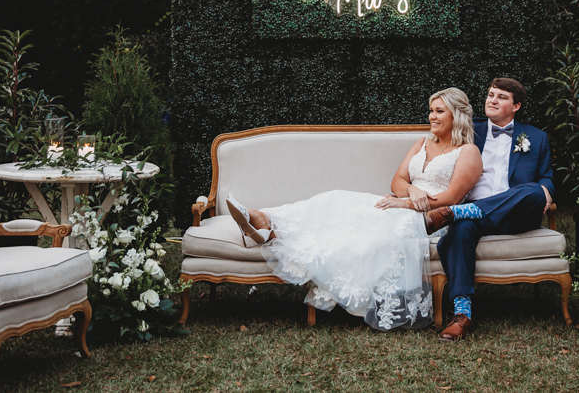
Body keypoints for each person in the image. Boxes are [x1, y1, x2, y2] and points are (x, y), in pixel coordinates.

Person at [226, 87, 483, 330]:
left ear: (456, 115)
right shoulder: (421, 143)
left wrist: (404, 202)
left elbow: (451, 198)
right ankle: (267, 219)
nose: (431, 116)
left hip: (429, 220)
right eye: (431, 110)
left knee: (363, 232)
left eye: (439, 111)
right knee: (336, 200)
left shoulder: (468, 152)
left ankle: (271, 232)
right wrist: (412, 191)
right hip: (401, 203)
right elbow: (398, 181)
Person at [428, 77, 553, 341]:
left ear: (516, 105)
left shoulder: (537, 137)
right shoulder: (469, 131)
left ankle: (458, 212)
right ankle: (463, 314)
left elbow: (546, 179)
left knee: (533, 190)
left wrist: (546, 192)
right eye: (490, 94)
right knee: (460, 230)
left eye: (501, 97)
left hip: (517, 215)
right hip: (476, 216)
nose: (492, 100)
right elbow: (436, 146)